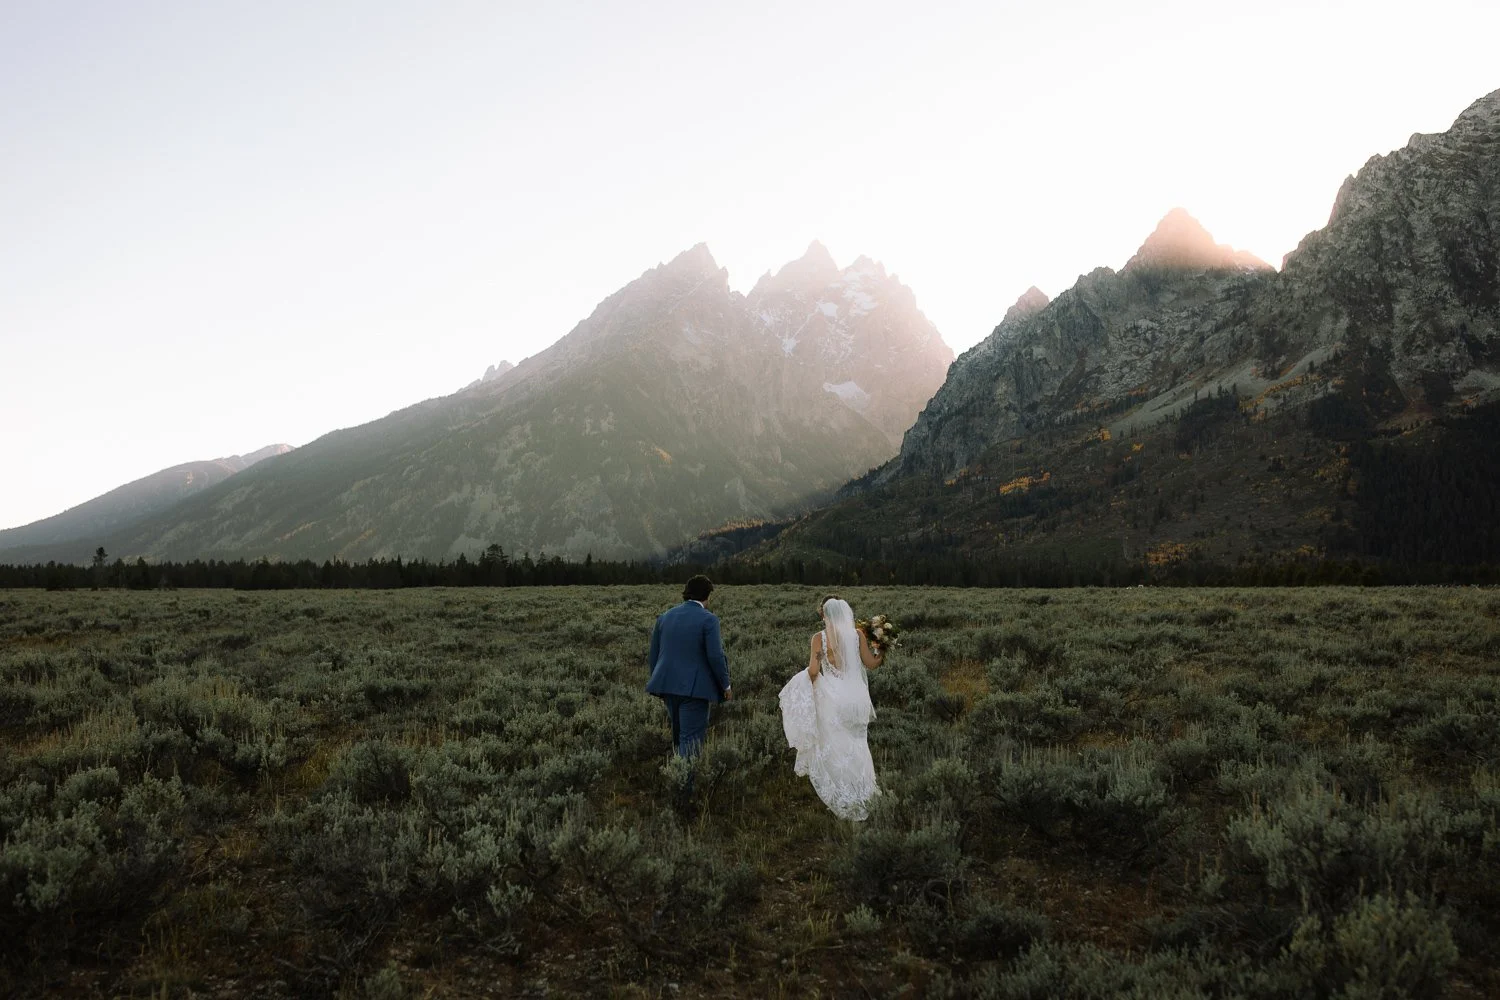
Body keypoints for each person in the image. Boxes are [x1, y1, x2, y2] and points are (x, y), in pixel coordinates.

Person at [778, 595, 883, 820]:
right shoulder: (857, 635)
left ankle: (843, 790)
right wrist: (881, 649)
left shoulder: (819, 639)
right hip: (857, 698)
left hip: (835, 698)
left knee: (836, 744)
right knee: (858, 745)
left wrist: (803, 682)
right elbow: (871, 664)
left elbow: (814, 671)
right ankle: (863, 789)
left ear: (824, 614)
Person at [646, 574, 731, 760]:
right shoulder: (709, 619)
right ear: (707, 595)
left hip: (668, 686)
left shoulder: (665, 617)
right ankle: (684, 786)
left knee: (678, 739)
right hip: (695, 691)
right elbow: (716, 656)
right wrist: (725, 685)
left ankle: (677, 778)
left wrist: (659, 684)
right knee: (690, 741)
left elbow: (654, 655)